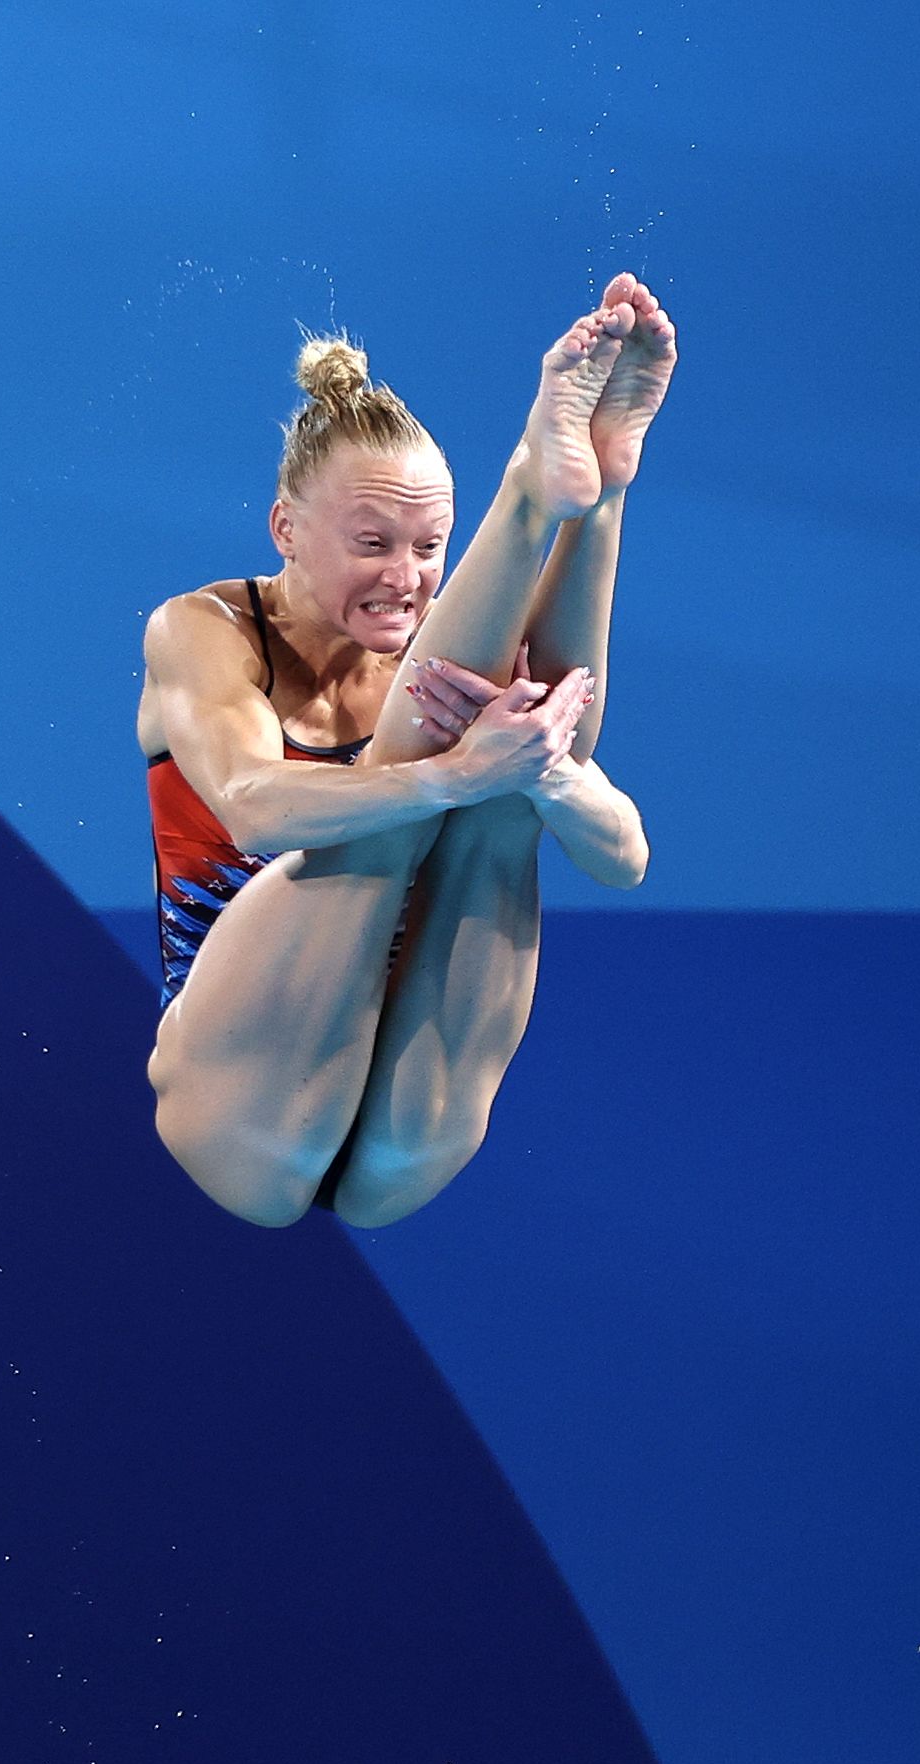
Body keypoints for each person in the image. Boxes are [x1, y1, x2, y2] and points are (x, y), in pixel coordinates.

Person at [139, 274, 675, 1228]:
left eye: (431, 547)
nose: (408, 578)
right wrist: (454, 773)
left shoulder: (440, 657)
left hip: (409, 1116)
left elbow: (626, 857)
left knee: (512, 789)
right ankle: (528, 493)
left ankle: (596, 496)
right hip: (244, 1105)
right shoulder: (208, 629)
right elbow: (256, 808)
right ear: (285, 530)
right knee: (404, 798)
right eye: (374, 542)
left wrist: (540, 765)